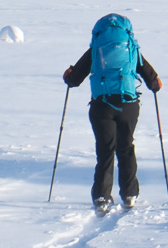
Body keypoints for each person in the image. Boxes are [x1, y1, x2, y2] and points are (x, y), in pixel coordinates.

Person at [62, 14, 161, 214]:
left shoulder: (95, 50)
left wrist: (68, 75)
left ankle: (101, 197)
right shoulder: (132, 49)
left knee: (105, 150)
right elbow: (154, 82)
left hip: (101, 106)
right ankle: (130, 194)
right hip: (128, 105)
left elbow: (73, 81)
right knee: (126, 147)